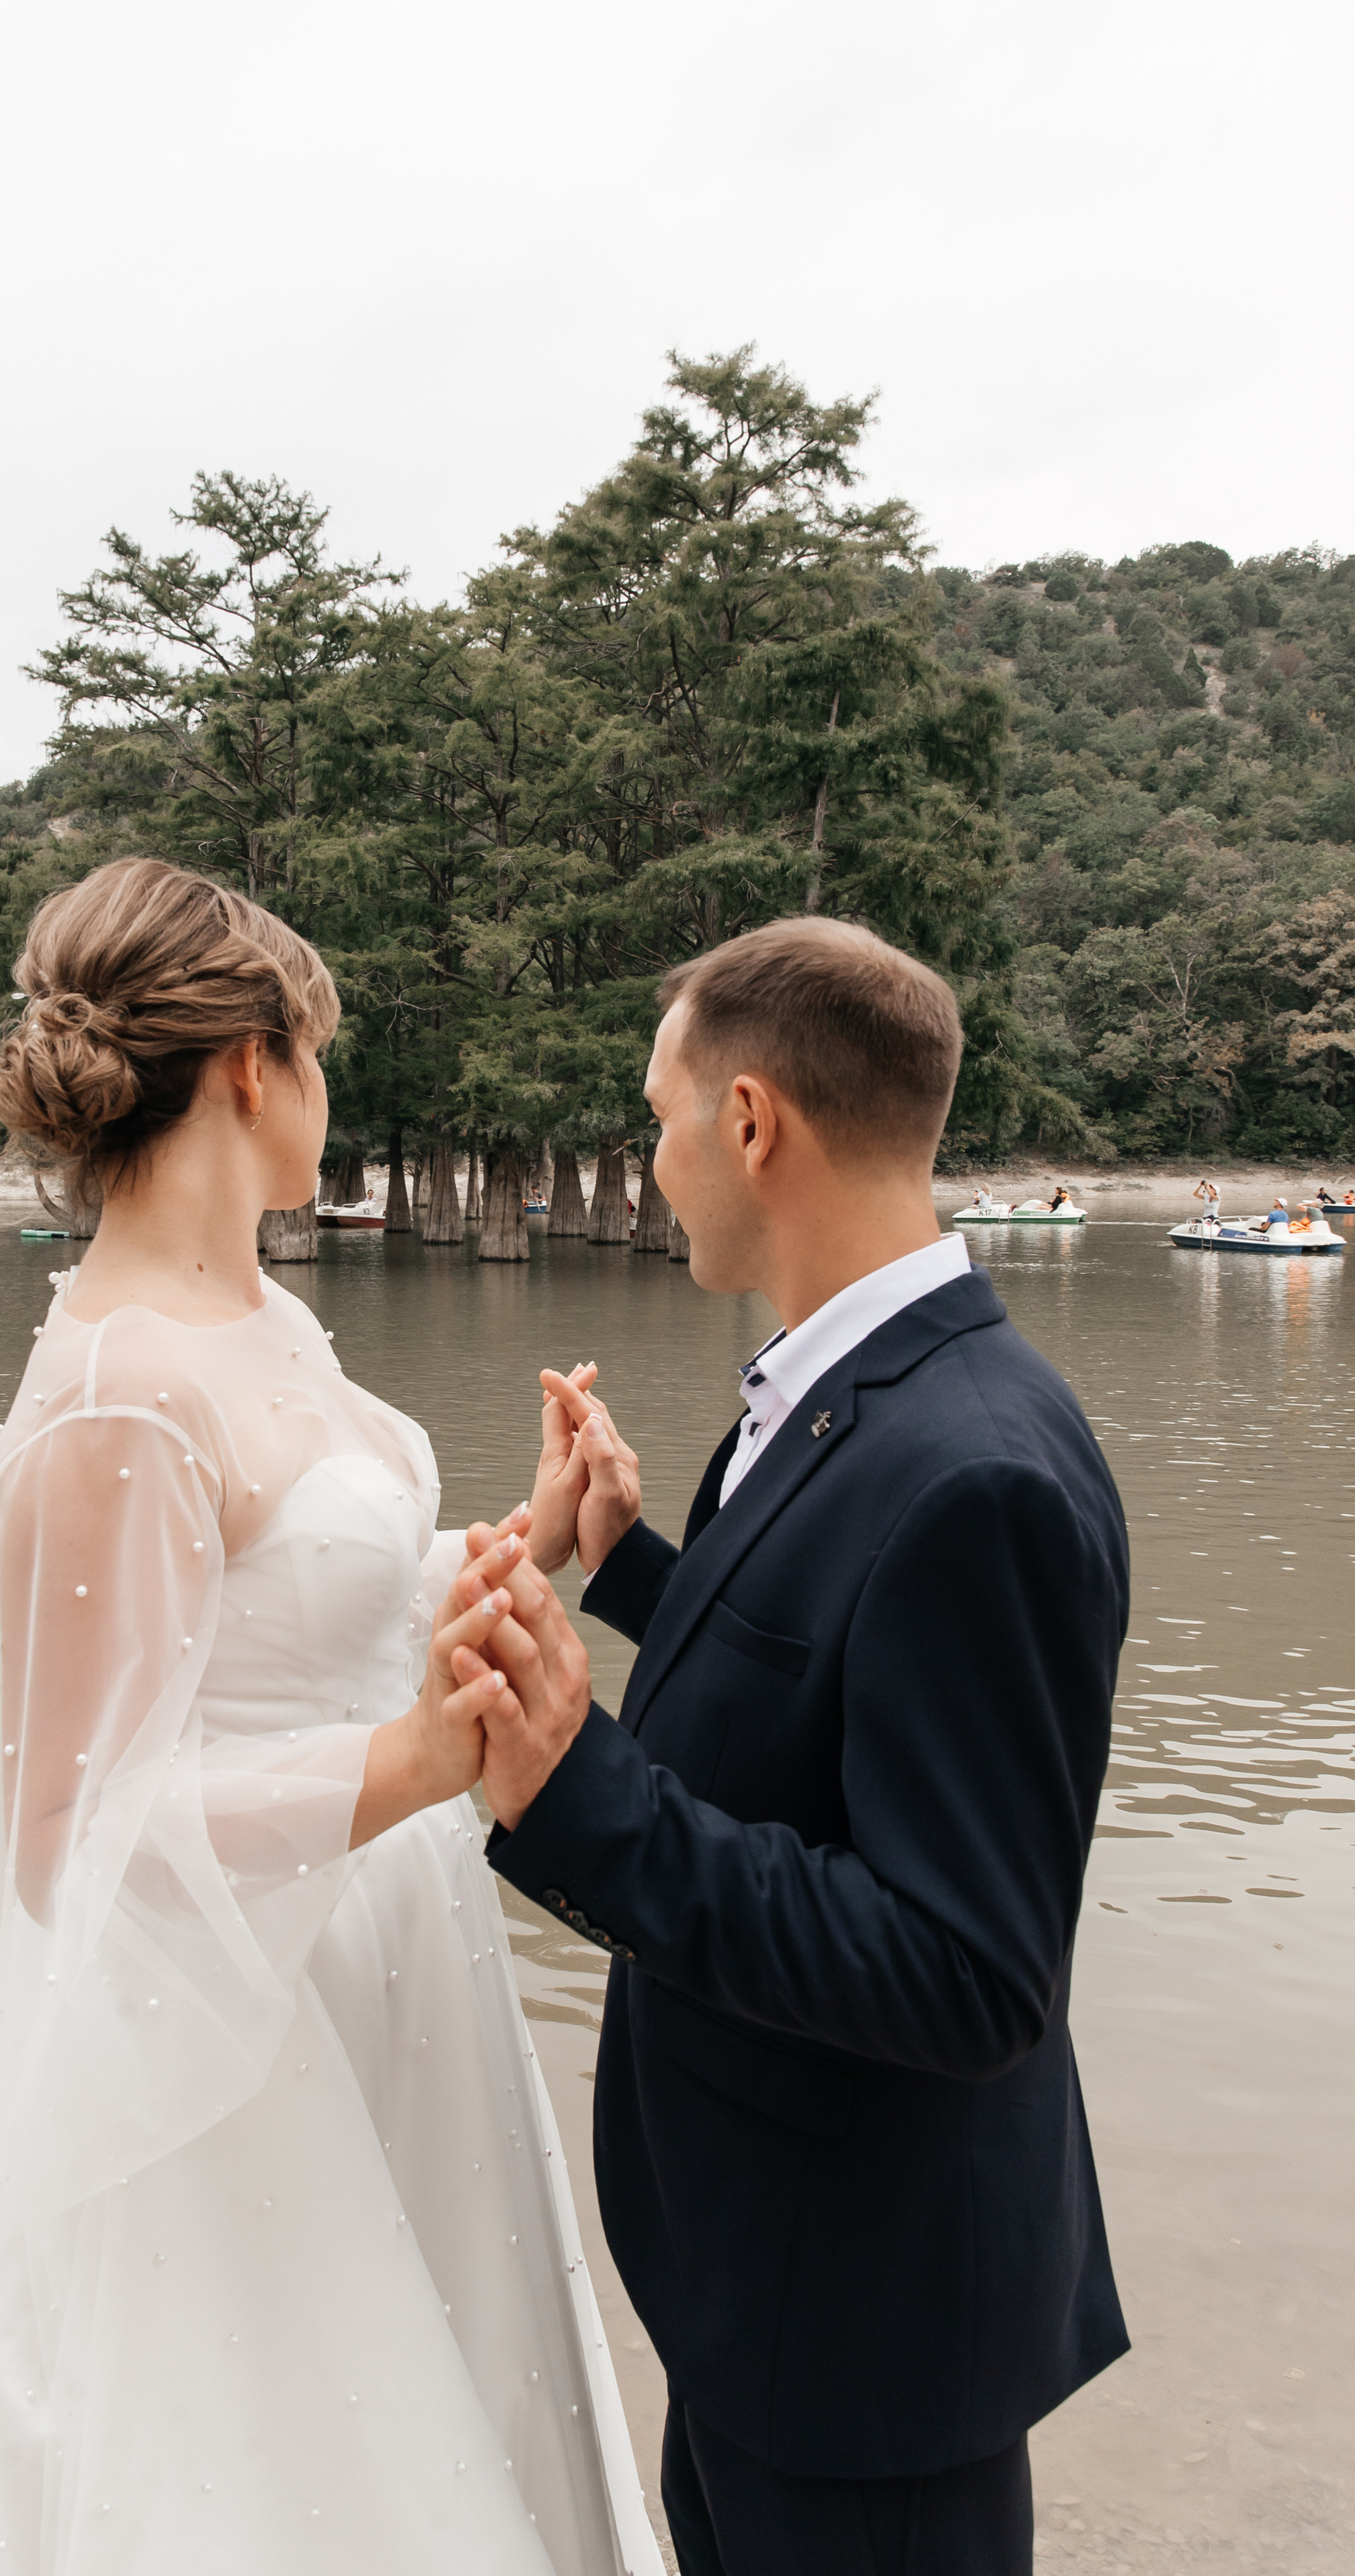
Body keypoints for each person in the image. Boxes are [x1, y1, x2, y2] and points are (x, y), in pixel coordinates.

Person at [0, 858, 661, 2576]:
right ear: (254, 1063)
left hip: (400, 1957)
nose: (328, 1094)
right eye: (320, 1056)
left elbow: (294, 1619)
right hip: (251, 2030)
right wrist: (416, 1762)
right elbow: (68, 1846)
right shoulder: (116, 1389)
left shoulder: (255, 1310)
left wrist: (526, 1541)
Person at [442, 918, 1130, 2576]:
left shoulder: (978, 1472)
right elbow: (827, 1693)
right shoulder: (850, 1390)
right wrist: (625, 1572)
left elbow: (967, 1973)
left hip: (869, 2333)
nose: (654, 1162)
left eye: (661, 1119)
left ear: (749, 1122)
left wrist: (573, 1788)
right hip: (773, 2283)